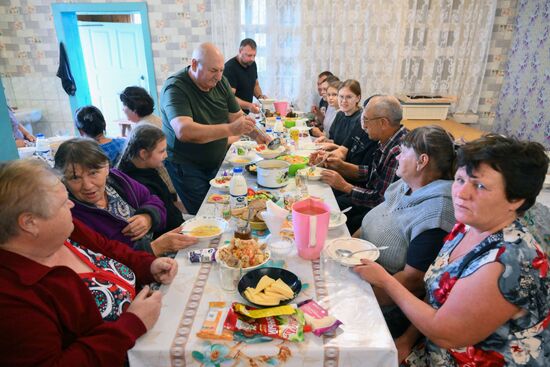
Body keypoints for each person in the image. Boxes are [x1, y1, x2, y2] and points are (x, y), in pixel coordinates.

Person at [355, 135, 550, 366]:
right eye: (459, 180)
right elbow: (436, 292)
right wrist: (406, 341)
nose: (461, 193)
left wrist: (386, 281)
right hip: (429, 347)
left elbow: (444, 333)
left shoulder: (510, 262)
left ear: (516, 199)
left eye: (479, 185)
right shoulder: (467, 226)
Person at [0, 159, 178, 366]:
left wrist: (147, 266)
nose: (72, 204)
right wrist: (131, 324)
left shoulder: (65, 231)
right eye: (63, 202)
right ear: (29, 223)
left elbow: (110, 249)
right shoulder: (11, 298)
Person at [358, 125, 457, 337]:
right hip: (362, 276)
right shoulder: (404, 185)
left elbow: (413, 282)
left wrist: (358, 302)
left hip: (385, 304)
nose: (397, 157)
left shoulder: (436, 212)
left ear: (422, 161)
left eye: (403, 152)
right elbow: (371, 223)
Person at [160, 42, 266, 214]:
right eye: (213, 71)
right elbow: (184, 131)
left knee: (224, 208)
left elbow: (239, 117)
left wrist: (260, 137)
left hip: (215, 159)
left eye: (221, 70)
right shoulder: (175, 88)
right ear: (194, 64)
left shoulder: (221, 82)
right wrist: (231, 129)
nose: (218, 77)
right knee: (207, 213)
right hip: (187, 165)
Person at [54, 138, 197, 256]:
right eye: (75, 178)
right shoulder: (70, 216)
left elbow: (153, 200)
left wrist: (148, 217)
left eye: (93, 173)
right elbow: (103, 261)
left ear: (106, 167)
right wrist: (153, 248)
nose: (88, 186)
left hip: (160, 253)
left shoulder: (118, 180)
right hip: (137, 277)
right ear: (63, 180)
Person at [321, 95, 408, 233]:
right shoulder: (387, 138)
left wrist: (345, 186)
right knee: (325, 202)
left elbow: (382, 200)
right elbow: (374, 173)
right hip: (370, 198)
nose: (364, 125)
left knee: (331, 221)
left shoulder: (400, 151)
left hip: (383, 214)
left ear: (383, 123)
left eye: (366, 119)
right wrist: (340, 166)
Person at [120, 86, 180, 210]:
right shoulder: (155, 119)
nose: (123, 109)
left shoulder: (142, 129)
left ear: (134, 108)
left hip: (162, 184)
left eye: (124, 105)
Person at [117, 124, 183, 236]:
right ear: (143, 154)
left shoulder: (148, 168)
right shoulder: (135, 182)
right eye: (161, 151)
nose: (166, 155)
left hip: (176, 226)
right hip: (167, 237)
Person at [223, 38, 268, 114]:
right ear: (240, 51)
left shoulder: (252, 64)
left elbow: (255, 85)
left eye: (254, 55)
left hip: (245, 113)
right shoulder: (230, 68)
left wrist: (260, 97)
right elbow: (230, 98)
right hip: (232, 114)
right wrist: (249, 106)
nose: (252, 59)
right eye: (249, 55)